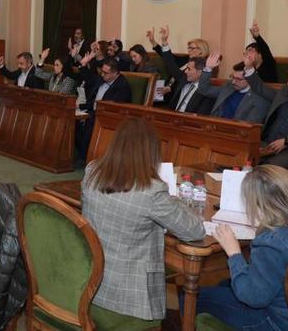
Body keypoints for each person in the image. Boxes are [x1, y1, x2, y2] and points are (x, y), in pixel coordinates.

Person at [82, 118, 204, 321]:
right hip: (130, 299)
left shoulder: (92, 171)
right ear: (151, 153)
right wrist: (178, 202)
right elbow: (195, 231)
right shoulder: (152, 191)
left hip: (90, 283)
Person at [196, 165, 288, 330]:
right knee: (224, 285)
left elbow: (252, 297)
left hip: (280, 322)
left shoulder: (273, 242)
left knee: (191, 297)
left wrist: (234, 252)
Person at [197, 53, 269, 124]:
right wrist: (208, 68)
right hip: (213, 127)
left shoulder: (260, 98)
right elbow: (204, 90)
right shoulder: (229, 86)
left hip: (233, 132)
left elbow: (250, 129)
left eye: (238, 79)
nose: (234, 82)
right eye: (233, 77)